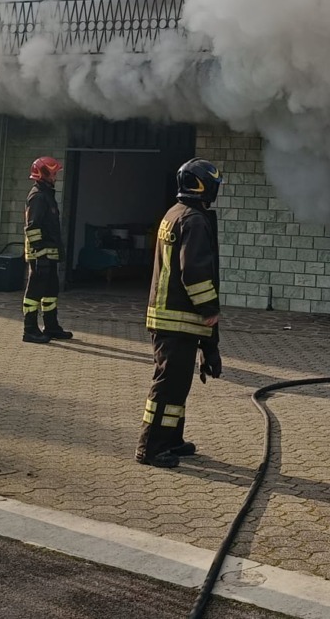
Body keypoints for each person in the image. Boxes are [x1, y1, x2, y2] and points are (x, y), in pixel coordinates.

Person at [136, 158, 224, 468]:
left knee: (177, 384)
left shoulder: (175, 213)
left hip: (170, 317)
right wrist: (208, 309)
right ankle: (151, 448)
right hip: (178, 319)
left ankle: (171, 440)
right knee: (167, 385)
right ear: (202, 186)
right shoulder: (194, 220)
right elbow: (194, 272)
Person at [22, 156, 72, 344]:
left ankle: (51, 326)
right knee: (34, 293)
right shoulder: (38, 196)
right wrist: (40, 253)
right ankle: (30, 330)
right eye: (54, 173)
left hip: (49, 255)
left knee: (51, 291)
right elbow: (32, 227)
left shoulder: (47, 195)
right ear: (44, 173)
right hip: (40, 256)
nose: (56, 176)